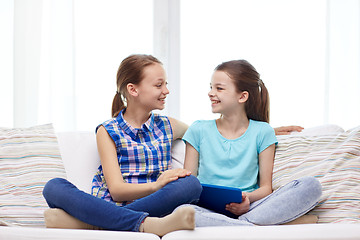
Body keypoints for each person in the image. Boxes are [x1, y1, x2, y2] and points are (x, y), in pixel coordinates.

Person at [42, 54, 203, 237]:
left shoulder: (169, 125)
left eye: (166, 84)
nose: (166, 90)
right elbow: (117, 191)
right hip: (113, 203)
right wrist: (156, 185)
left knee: (191, 185)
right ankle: (146, 224)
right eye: (159, 85)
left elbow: (199, 135)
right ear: (133, 90)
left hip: (154, 203)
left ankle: (93, 222)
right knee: (53, 187)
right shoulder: (108, 130)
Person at [180, 59, 322, 227]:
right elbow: (188, 186)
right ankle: (252, 227)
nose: (210, 93)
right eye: (211, 87)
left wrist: (247, 199)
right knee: (184, 211)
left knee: (311, 186)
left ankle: (240, 224)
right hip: (206, 209)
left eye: (219, 88)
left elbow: (265, 188)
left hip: (251, 207)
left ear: (242, 96)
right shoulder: (198, 129)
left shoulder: (263, 132)